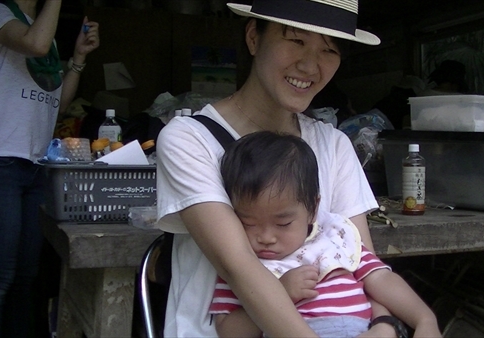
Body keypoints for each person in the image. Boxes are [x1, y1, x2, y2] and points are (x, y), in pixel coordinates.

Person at [156, 0, 427, 336]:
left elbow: (358, 263)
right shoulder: (190, 140)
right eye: (296, 41)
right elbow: (240, 268)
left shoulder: (334, 145)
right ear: (254, 37)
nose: (310, 66)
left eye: (328, 49)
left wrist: (384, 324)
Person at [210, 131, 441, 338]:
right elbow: (229, 330)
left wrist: (424, 320)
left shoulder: (336, 238)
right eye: (248, 223)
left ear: (312, 208)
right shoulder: (244, 263)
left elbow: (380, 279)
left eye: (283, 223)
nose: (266, 237)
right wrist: (281, 292)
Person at [0, 0, 100, 337]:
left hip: (35, 164)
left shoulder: (44, 30)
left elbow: (55, 102)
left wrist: (78, 58)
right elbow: (35, 44)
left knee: (25, 277)